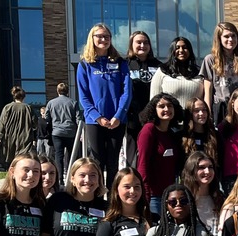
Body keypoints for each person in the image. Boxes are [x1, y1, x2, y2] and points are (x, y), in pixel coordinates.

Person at [77, 24, 132, 182]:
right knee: (97, 162)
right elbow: (84, 96)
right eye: (100, 36)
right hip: (94, 121)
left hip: (117, 120)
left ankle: (112, 202)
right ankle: (97, 199)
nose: (104, 39)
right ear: (92, 39)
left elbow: (126, 92)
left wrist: (119, 116)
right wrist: (97, 117)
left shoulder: (120, 63)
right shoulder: (84, 65)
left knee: (113, 162)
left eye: (107, 36)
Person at [136, 93, 185, 215]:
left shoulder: (172, 133)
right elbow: (142, 165)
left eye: (169, 106)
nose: (166, 109)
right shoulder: (149, 130)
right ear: (154, 109)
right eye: (161, 106)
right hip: (153, 197)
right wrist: (145, 196)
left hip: (171, 196)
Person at [201, 22, 238, 123]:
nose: (230, 39)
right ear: (219, 39)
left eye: (233, 36)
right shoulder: (210, 60)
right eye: (226, 36)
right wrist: (208, 113)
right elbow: (207, 90)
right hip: (220, 107)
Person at [126, 31, 163, 167]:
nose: (142, 45)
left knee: (152, 154)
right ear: (131, 45)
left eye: (146, 42)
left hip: (153, 118)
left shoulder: (159, 66)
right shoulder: (125, 65)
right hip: (132, 119)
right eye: (139, 42)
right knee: (133, 157)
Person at [151, 37, 205, 110]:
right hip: (169, 119)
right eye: (177, 48)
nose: (181, 50)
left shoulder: (199, 72)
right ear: (172, 51)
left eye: (185, 47)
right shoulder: (162, 71)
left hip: (194, 119)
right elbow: (154, 101)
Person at [0, 86, 37, 162]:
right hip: (25, 136)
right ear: (23, 97)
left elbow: (2, 123)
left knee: (11, 157)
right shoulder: (28, 108)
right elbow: (35, 123)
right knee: (23, 157)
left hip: (10, 136)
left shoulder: (7, 107)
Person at [46, 82, 81, 173]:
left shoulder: (51, 103)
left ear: (57, 91)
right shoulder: (73, 102)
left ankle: (60, 178)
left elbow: (47, 118)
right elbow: (78, 118)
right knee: (71, 155)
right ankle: (70, 174)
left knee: (59, 155)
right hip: (70, 132)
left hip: (57, 132)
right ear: (67, 91)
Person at [182, 97, 219, 162]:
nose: (201, 113)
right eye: (196, 110)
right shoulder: (182, 136)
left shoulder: (215, 135)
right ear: (190, 113)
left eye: (204, 110)